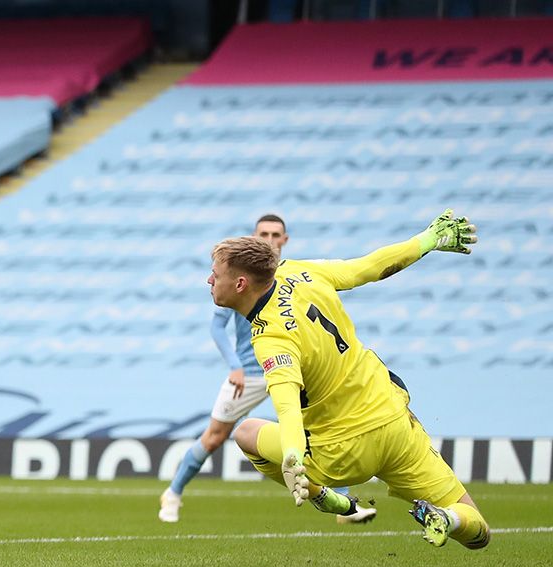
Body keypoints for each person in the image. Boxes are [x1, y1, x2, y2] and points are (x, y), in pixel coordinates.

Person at [209, 210, 490, 549]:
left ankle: (323, 496)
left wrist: (295, 458)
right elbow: (369, 267)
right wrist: (428, 240)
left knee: (246, 433)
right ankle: (449, 519)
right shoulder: (301, 272)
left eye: (215, 275)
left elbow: (287, 407)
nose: (209, 281)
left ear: (240, 284)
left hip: (342, 452)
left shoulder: (271, 336)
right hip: (395, 423)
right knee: (477, 533)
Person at [161, 215, 372, 525]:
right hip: (250, 372)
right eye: (263, 233)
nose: (269, 239)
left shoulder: (293, 276)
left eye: (276, 234)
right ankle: (173, 492)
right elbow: (218, 327)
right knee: (215, 437)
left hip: (291, 371)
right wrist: (234, 366)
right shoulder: (239, 279)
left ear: (284, 240)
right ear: (254, 236)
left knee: (325, 426)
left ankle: (346, 506)